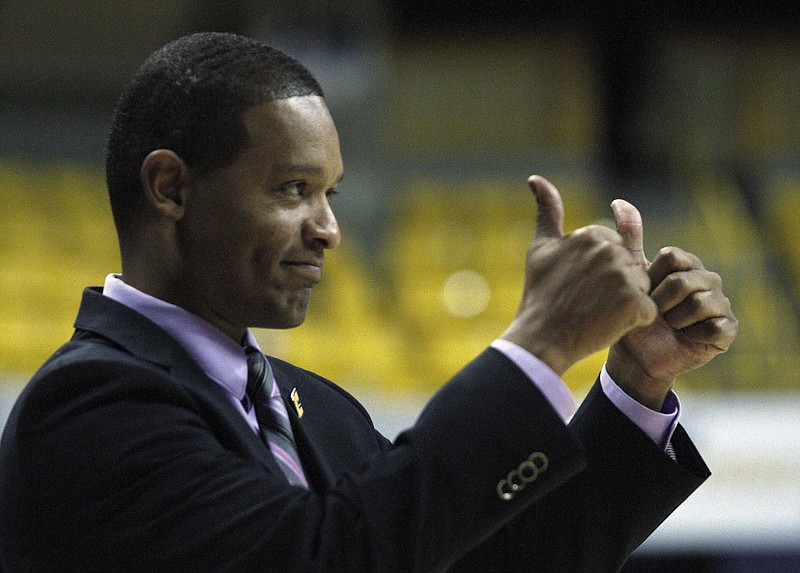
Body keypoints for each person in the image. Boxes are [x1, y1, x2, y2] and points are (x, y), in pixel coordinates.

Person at [0, 32, 738, 572]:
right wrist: (538, 345)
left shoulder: (313, 408)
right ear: (171, 187)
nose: (329, 229)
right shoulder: (92, 402)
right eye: (294, 190)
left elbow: (492, 558)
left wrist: (638, 382)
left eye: (330, 194)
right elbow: (326, 557)